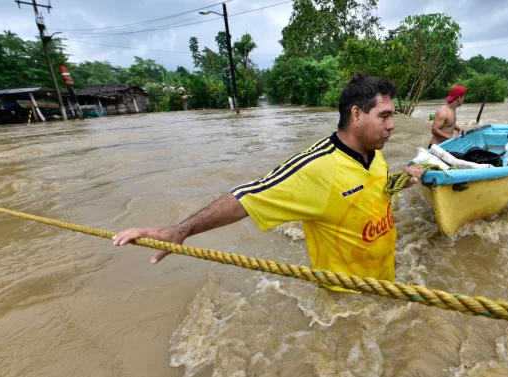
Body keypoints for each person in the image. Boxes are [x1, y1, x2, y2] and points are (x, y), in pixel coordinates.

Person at [112, 73, 425, 291]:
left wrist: (400, 180)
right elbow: (245, 198)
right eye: (384, 116)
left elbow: (374, 190)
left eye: (392, 116)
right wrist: (179, 231)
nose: (392, 125)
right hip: (348, 299)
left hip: (386, 280)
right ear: (356, 115)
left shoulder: (375, 154)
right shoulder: (314, 168)